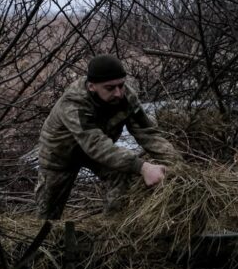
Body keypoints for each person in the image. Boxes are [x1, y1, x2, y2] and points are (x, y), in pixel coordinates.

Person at [35, 54, 180, 219]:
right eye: (110, 88)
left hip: (100, 149)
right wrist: (143, 167)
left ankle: (111, 229)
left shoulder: (126, 97)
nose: (118, 93)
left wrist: (176, 165)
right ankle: (43, 241)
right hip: (60, 154)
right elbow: (95, 144)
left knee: (121, 173)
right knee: (47, 214)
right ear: (91, 87)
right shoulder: (74, 103)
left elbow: (147, 133)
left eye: (121, 85)